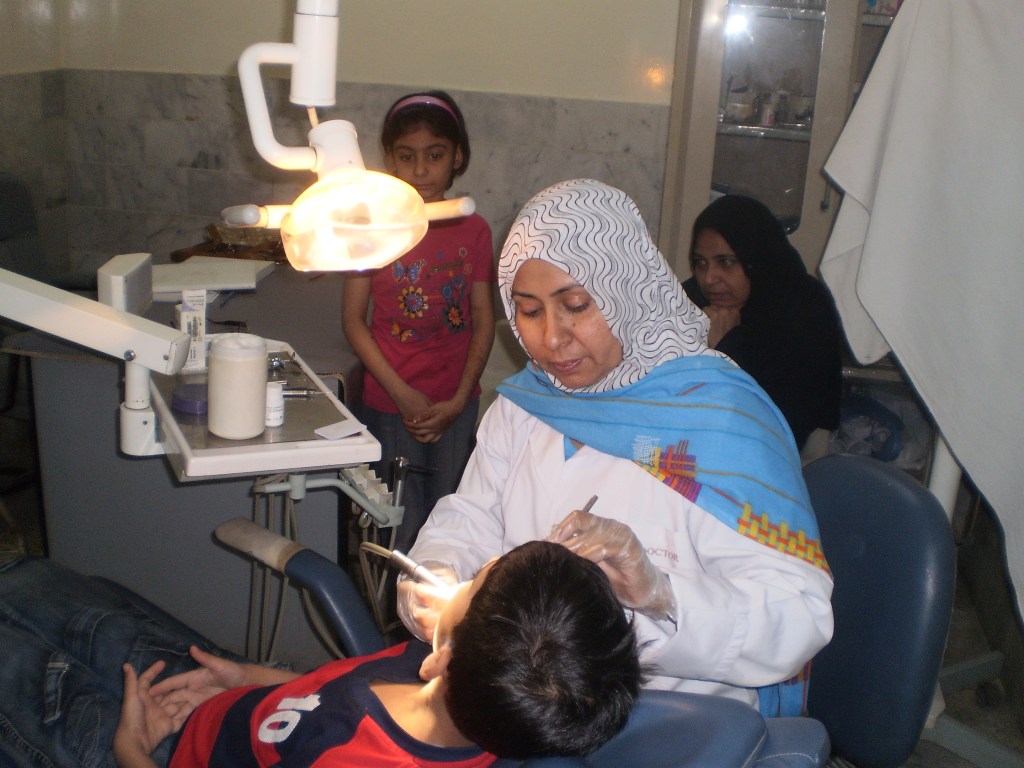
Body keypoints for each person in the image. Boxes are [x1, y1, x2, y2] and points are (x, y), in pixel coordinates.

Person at [399, 178, 834, 718]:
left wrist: (661, 595)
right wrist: (435, 578)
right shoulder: (524, 406)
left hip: (674, 715)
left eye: (576, 305)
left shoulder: (718, 420)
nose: (551, 339)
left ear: (626, 288)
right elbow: (472, 517)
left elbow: (798, 616)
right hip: (528, 700)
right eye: (529, 311)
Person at [0, 541, 642, 768]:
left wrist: (130, 752)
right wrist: (249, 678)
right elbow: (335, 695)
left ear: (444, 660)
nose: (462, 581)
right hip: (228, 702)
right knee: (30, 584)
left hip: (159, 755)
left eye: (470, 584)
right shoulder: (466, 684)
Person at [342, 90, 495, 554]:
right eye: (407, 156)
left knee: (449, 522)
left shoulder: (473, 229)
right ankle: (391, 603)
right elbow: (353, 321)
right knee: (395, 525)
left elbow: (483, 318)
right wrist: (402, 393)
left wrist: (458, 399)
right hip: (391, 404)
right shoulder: (373, 227)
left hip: (456, 403)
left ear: (457, 158)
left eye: (435, 155)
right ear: (391, 159)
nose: (421, 170)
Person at [682, 194, 843, 453]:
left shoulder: (803, 308)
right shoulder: (688, 301)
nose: (709, 279)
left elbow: (782, 424)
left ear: (756, 258)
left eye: (726, 262)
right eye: (700, 263)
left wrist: (725, 348)